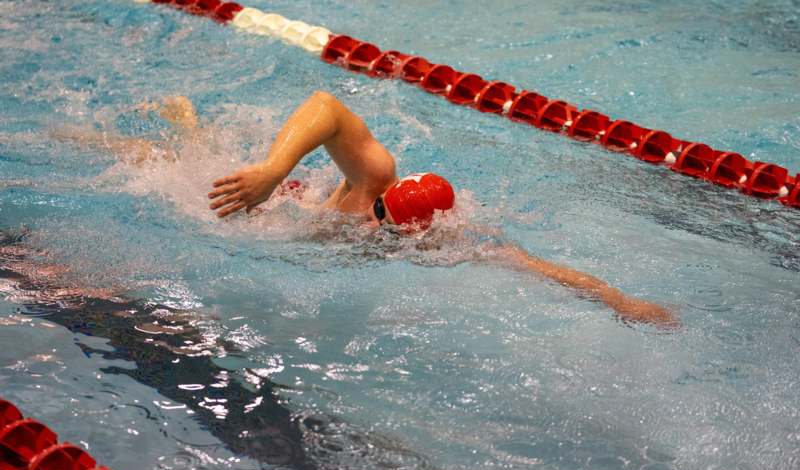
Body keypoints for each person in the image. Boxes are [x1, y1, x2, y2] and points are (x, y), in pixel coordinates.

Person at [208, 91, 677, 327]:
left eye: (383, 224)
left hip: (293, 227)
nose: (370, 221)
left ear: (412, 234)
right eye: (377, 210)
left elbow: (533, 265)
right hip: (278, 201)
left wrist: (617, 299)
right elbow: (325, 105)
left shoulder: (440, 238)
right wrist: (273, 170)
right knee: (205, 172)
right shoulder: (374, 177)